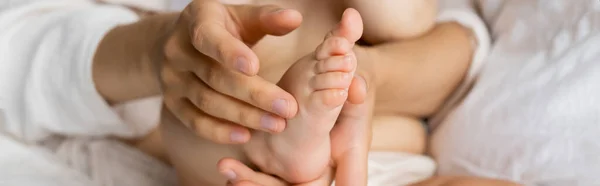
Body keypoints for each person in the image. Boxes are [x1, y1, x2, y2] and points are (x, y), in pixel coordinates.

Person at [156, 0, 489, 185]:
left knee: (410, 132)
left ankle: (276, 139)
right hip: (257, 146)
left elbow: (462, 47)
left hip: (390, 146)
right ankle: (272, 140)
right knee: (193, 108)